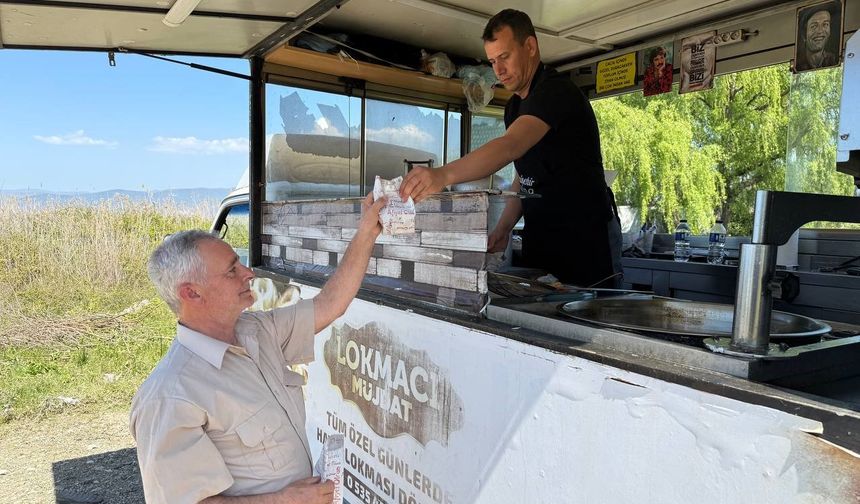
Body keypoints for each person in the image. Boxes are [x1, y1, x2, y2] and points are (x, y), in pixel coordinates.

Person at [130, 193, 386, 503]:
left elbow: (329, 304)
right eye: (231, 271)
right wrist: (283, 500)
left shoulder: (256, 331)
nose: (248, 273)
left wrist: (367, 231)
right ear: (191, 293)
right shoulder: (169, 395)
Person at [400, 9, 622, 288]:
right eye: (492, 61)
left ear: (530, 47)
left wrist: (442, 175)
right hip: (541, 243)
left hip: (586, 244)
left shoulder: (556, 92)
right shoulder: (514, 107)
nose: (498, 70)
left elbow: (509, 146)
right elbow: (525, 177)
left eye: (504, 57)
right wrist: (503, 229)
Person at [796, 5, 839, 71]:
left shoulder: (833, 59)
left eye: (825, 24)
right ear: (803, 34)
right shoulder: (798, 62)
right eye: (814, 26)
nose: (820, 31)